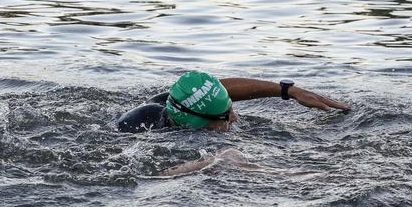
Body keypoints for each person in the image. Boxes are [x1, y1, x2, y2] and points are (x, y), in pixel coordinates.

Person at [117, 70, 349, 133]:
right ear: (198, 123)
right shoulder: (140, 132)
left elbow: (216, 89)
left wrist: (289, 91)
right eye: (226, 116)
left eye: (232, 107)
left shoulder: (177, 101)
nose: (235, 117)